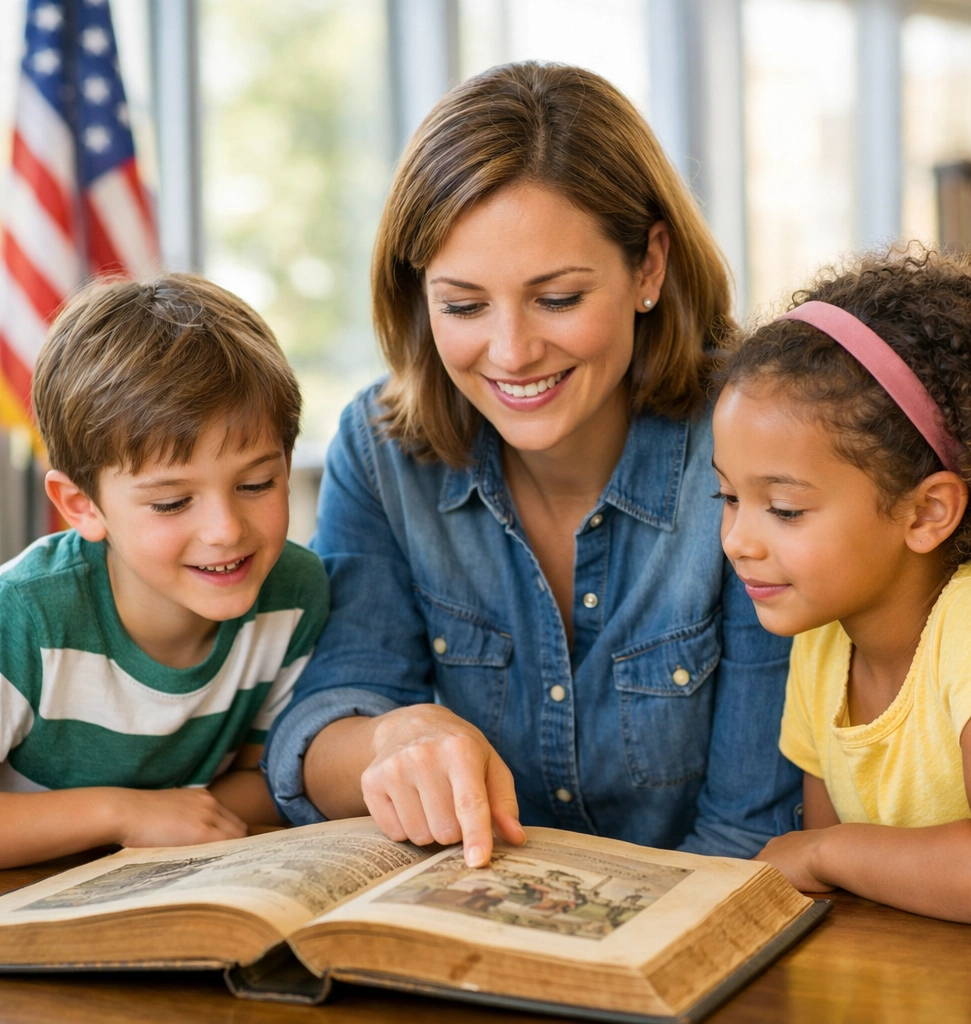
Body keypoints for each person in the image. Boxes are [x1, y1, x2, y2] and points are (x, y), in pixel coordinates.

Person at [264, 61, 800, 866]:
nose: (511, 353)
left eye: (557, 299)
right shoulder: (383, 451)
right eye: (464, 306)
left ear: (648, 267)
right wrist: (394, 736)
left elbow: (752, 836)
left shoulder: (753, 444)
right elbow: (316, 736)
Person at [711, 247, 971, 928]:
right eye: (728, 496)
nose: (737, 539)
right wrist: (824, 859)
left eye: (785, 510)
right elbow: (834, 900)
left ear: (926, 512)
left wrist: (829, 852)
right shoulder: (821, 645)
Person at [0, 274, 329, 869]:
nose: (226, 529)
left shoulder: (294, 594)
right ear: (82, 506)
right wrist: (124, 813)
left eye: (256, 484)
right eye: (172, 502)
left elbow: (270, 778)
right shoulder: (22, 616)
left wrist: (171, 817)